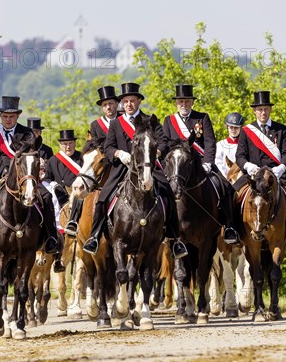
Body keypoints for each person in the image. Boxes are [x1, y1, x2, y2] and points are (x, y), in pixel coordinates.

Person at [82, 82, 181, 258]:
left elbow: (164, 142)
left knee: (168, 193)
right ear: (122, 103)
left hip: (148, 166)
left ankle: (175, 240)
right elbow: (108, 147)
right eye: (126, 101)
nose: (129, 104)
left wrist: (156, 152)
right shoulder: (116, 124)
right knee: (102, 197)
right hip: (122, 168)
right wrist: (119, 154)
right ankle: (94, 237)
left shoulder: (150, 120)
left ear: (139, 102)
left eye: (132, 101)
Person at [0, 96, 60, 265]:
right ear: (1, 117)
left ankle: (51, 238)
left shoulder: (27, 133)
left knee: (46, 197)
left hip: (21, 176)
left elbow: (30, 153)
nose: (8, 119)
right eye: (5, 116)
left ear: (17, 116)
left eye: (12, 116)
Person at [162, 84, 239, 246]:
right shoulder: (169, 121)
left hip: (200, 164)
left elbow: (210, 143)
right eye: (181, 102)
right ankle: (165, 228)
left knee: (225, 186)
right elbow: (166, 145)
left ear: (192, 102)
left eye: (187, 101)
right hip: (178, 166)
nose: (184, 105)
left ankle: (230, 226)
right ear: (177, 103)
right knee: (161, 190)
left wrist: (208, 163)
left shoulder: (202, 118)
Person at [235, 91, 286, 249]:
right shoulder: (247, 131)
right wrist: (249, 166)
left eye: (265, 109)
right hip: (254, 176)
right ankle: (234, 230)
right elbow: (240, 156)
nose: (263, 112)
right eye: (259, 109)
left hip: (277, 176)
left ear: (270, 110)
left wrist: (281, 168)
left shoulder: (281, 130)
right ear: (254, 111)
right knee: (230, 194)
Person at [64, 86, 120, 237]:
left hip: (121, 162)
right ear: (102, 107)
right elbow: (92, 144)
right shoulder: (96, 125)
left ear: (116, 104)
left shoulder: (124, 120)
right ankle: (73, 220)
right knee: (82, 181)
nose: (108, 107)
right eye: (105, 105)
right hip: (101, 162)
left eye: (111, 103)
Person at [43, 129, 83, 272]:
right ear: (60, 145)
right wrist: (51, 184)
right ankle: (53, 245)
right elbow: (46, 178)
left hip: (79, 197)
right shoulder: (54, 160)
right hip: (58, 199)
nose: (68, 146)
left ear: (75, 143)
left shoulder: (82, 158)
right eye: (65, 144)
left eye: (70, 143)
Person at [216, 112, 246, 178]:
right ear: (227, 127)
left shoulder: (245, 145)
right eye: (231, 127)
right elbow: (218, 163)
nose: (233, 130)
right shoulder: (219, 145)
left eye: (236, 128)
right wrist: (226, 177)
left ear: (241, 128)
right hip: (224, 179)